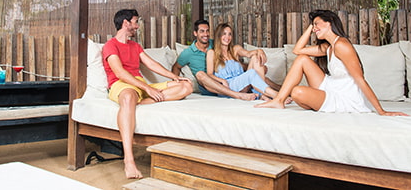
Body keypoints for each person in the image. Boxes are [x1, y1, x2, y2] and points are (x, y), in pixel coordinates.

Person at [255, 9, 408, 116]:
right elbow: (297, 50)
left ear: (330, 23)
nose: (314, 29)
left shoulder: (342, 45)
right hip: (331, 86)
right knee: (302, 60)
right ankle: (279, 100)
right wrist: (311, 25)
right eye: (313, 26)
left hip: (345, 96)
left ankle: (282, 100)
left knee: (297, 92)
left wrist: (381, 111)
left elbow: (360, 79)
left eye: (317, 24)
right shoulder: (328, 46)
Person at [102, 9, 193, 179]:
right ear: (125, 23)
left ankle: (140, 102)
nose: (137, 26)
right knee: (129, 97)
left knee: (186, 87)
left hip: (140, 85)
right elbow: (120, 73)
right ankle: (129, 161)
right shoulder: (110, 45)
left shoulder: (135, 46)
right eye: (135, 22)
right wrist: (147, 89)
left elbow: (152, 64)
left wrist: (175, 77)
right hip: (122, 85)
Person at [172, 19, 267, 100]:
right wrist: (176, 86)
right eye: (202, 31)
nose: (205, 34)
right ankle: (238, 94)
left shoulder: (217, 43)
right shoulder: (188, 53)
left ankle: (268, 91)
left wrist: (258, 52)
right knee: (200, 74)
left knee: (258, 67)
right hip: (211, 85)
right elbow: (176, 67)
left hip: (230, 80)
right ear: (195, 33)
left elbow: (232, 56)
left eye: (207, 31)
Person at [206, 23, 283, 100]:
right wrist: (222, 81)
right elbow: (209, 74)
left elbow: (249, 54)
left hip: (243, 83)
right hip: (228, 86)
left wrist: (259, 51)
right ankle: (277, 96)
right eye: (224, 34)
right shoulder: (212, 53)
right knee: (252, 73)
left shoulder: (235, 50)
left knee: (255, 58)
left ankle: (262, 94)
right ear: (218, 36)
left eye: (230, 34)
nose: (227, 37)